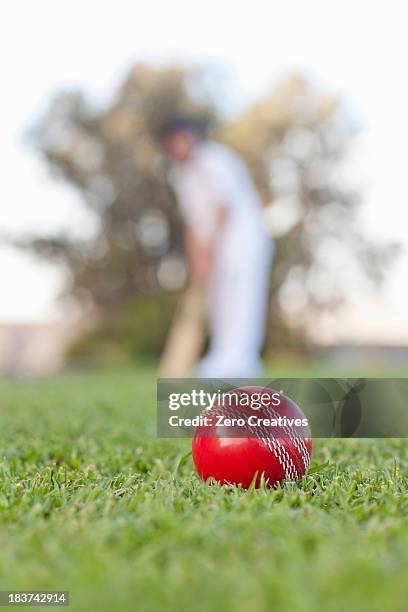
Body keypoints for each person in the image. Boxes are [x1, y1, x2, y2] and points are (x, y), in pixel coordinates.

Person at [159, 116, 273, 377]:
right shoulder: (181, 176)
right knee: (218, 299)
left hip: (243, 241)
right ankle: (221, 355)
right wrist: (197, 259)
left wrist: (210, 247)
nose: (178, 146)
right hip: (215, 245)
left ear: (192, 137)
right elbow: (193, 223)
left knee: (242, 297)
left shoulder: (216, 159)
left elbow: (225, 206)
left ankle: (243, 360)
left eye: (182, 139)